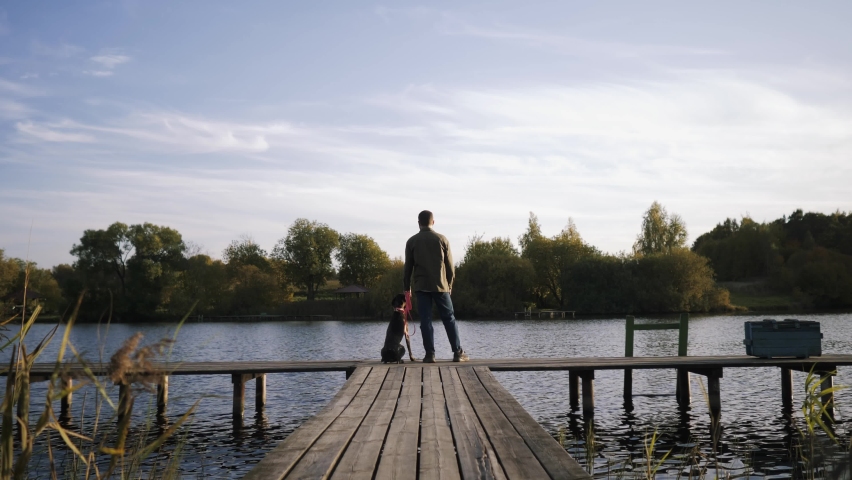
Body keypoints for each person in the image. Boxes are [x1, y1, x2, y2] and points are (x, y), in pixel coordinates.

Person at [403, 210, 469, 363]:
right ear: (433, 222)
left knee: (425, 320)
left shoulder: (411, 241)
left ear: (418, 223)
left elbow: (408, 268)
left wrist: (407, 288)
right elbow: (450, 266)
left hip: (421, 286)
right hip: (441, 286)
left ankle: (429, 355)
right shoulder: (442, 239)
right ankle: (457, 353)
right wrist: (450, 284)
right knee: (449, 319)